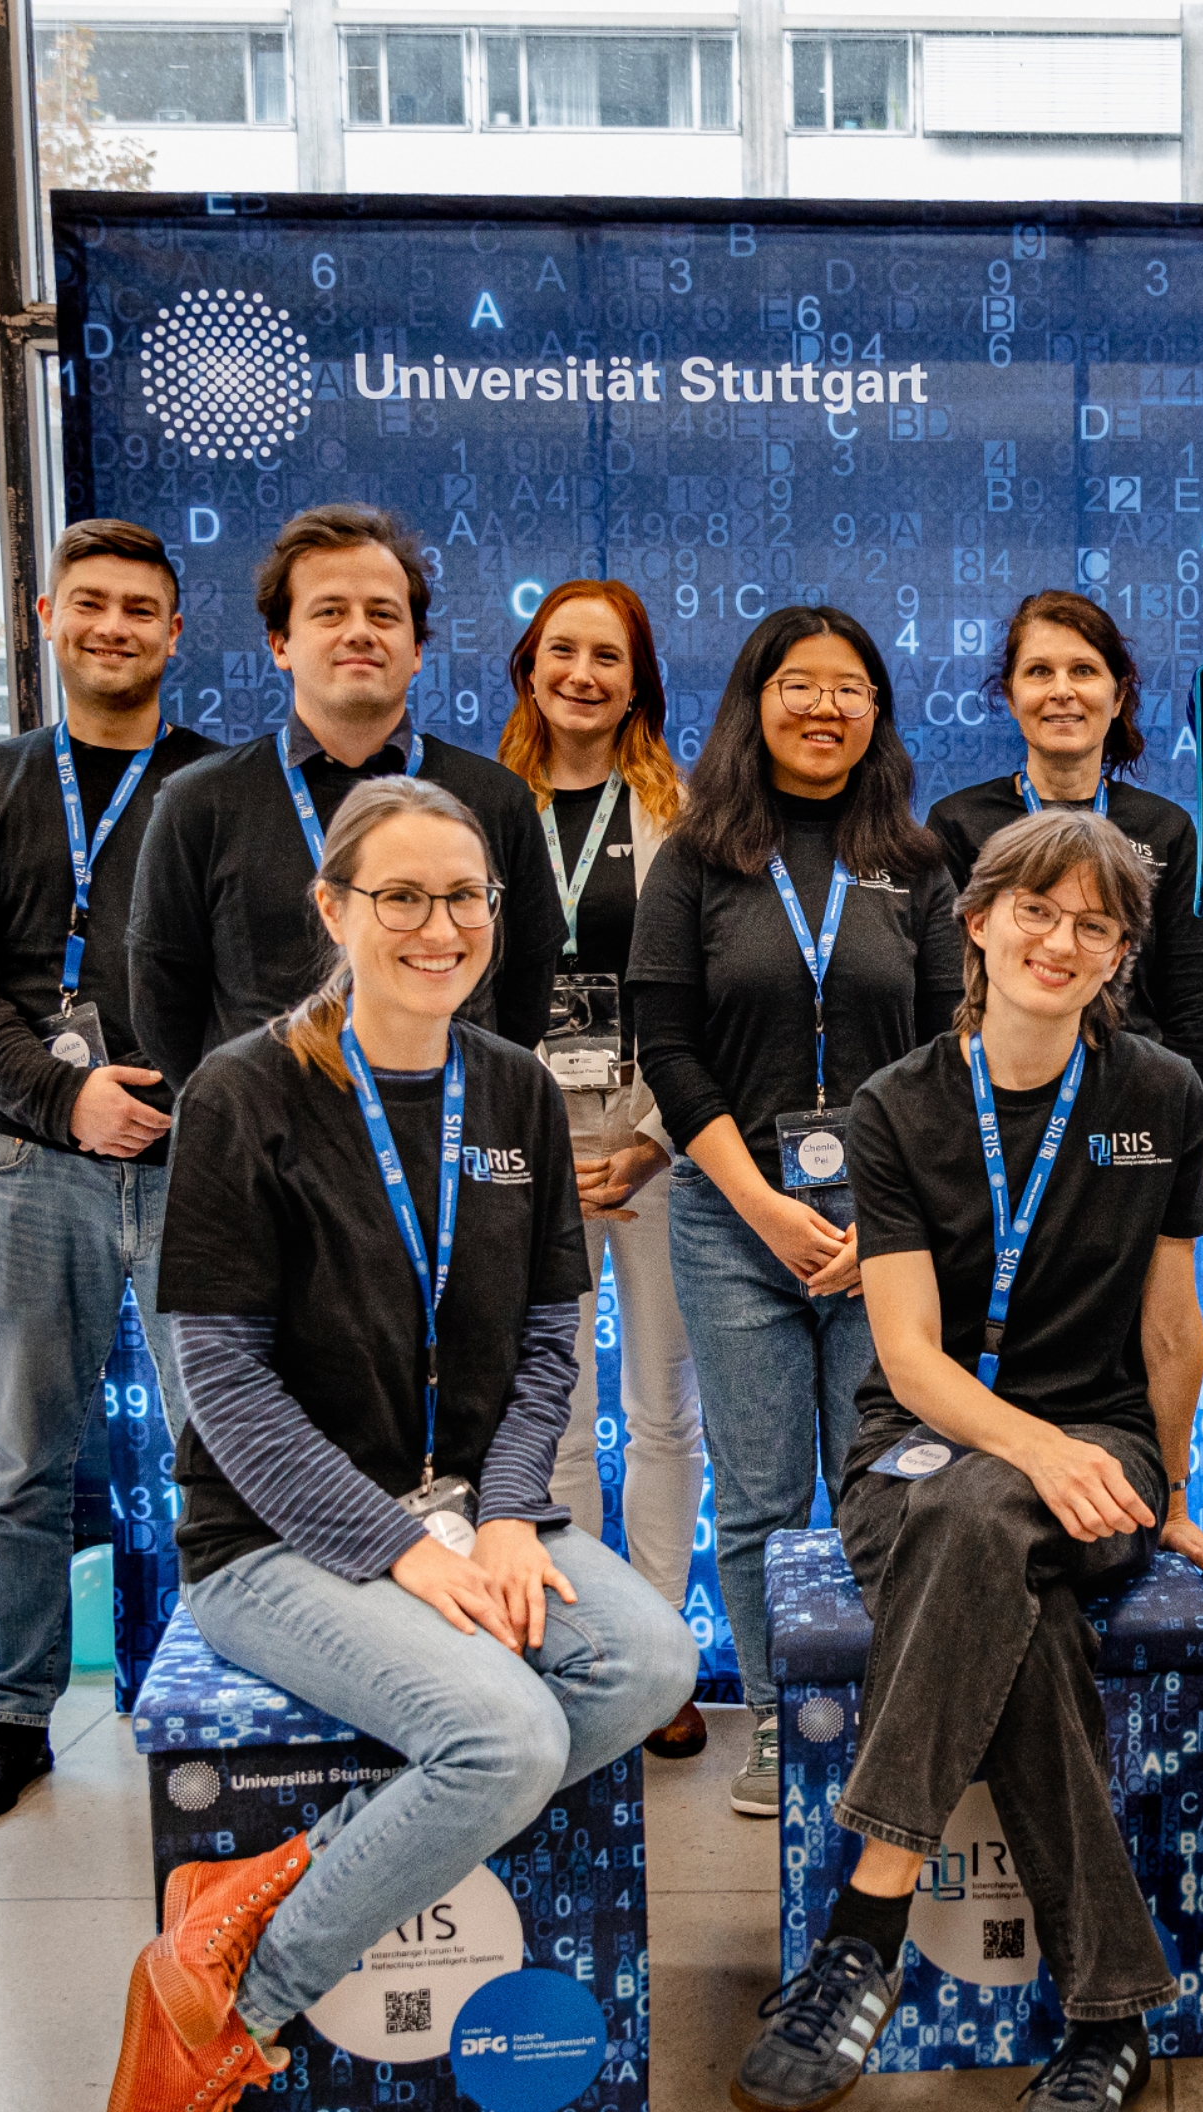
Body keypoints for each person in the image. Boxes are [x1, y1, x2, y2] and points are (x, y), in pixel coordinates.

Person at [108, 775, 699, 2112]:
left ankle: (254, 1886)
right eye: (404, 896)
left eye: (468, 897)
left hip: (467, 1509)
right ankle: (226, 2014)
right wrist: (396, 1549)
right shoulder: (246, 1091)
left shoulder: (516, 1090)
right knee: (500, 1739)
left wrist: (501, 1515)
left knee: (650, 1663)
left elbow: (552, 1337)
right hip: (273, 1538)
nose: (441, 926)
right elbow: (225, 1387)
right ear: (334, 909)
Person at [731, 811, 1203, 2112]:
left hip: (1103, 1444)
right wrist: (1040, 1453)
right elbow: (904, 1357)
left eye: (1095, 926)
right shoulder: (894, 1106)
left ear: (1121, 953)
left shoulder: (1164, 1093)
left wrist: (1161, 1486)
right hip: (920, 1444)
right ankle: (1111, 2006)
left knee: (984, 1529)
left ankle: (862, 1933)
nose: (1060, 942)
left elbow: (1174, 1325)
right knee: (983, 1540)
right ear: (979, 919)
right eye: (1036, 911)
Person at [0, 517, 224, 1819]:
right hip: (29, 1161)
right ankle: (12, 1714)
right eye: (88, 605)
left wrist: (184, 1101)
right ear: (49, 617)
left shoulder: (225, 787)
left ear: (174, 632)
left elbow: (277, 977)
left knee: (225, 1450)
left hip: (198, 1165)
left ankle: (240, 1693)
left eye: (138, 610)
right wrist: (66, 1091)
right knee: (23, 1458)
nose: (112, 628)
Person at [631, 605, 964, 1818]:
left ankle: (878, 1729)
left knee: (887, 1482)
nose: (824, 707)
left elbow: (949, 1051)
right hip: (734, 1218)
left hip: (891, 1227)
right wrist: (764, 1206)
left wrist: (884, 1224)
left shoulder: (918, 865)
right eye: (798, 685)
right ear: (753, 701)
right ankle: (781, 1721)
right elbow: (664, 1041)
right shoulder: (696, 857)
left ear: (877, 710)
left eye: (849, 688)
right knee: (763, 1495)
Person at [130, 503, 559, 1090]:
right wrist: (240, 1110)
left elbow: (526, 985)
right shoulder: (197, 803)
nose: (359, 630)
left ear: (416, 652)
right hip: (267, 1150)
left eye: (383, 613)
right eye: (329, 612)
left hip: (449, 1139)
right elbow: (163, 1004)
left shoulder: (496, 800)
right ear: (281, 645)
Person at [499, 577, 709, 1764]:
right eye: (564, 650)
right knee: (553, 1413)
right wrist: (527, 1141)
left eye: (611, 657)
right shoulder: (481, 806)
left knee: (666, 1412)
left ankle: (664, 1650)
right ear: (531, 665)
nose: (585, 673)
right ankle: (584, 1654)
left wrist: (652, 1136)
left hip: (655, 1142)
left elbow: (708, 991)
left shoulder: (681, 813)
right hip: (519, 1150)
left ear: (639, 682)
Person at [926, 591, 1203, 1101]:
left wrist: (1187, 1146)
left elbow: (1190, 1011)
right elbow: (943, 1001)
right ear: (1011, 695)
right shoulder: (957, 823)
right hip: (997, 1102)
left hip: (1133, 1102)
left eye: (1083, 670)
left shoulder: (1166, 828)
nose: (1062, 691)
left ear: (1119, 694)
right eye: (1039, 672)